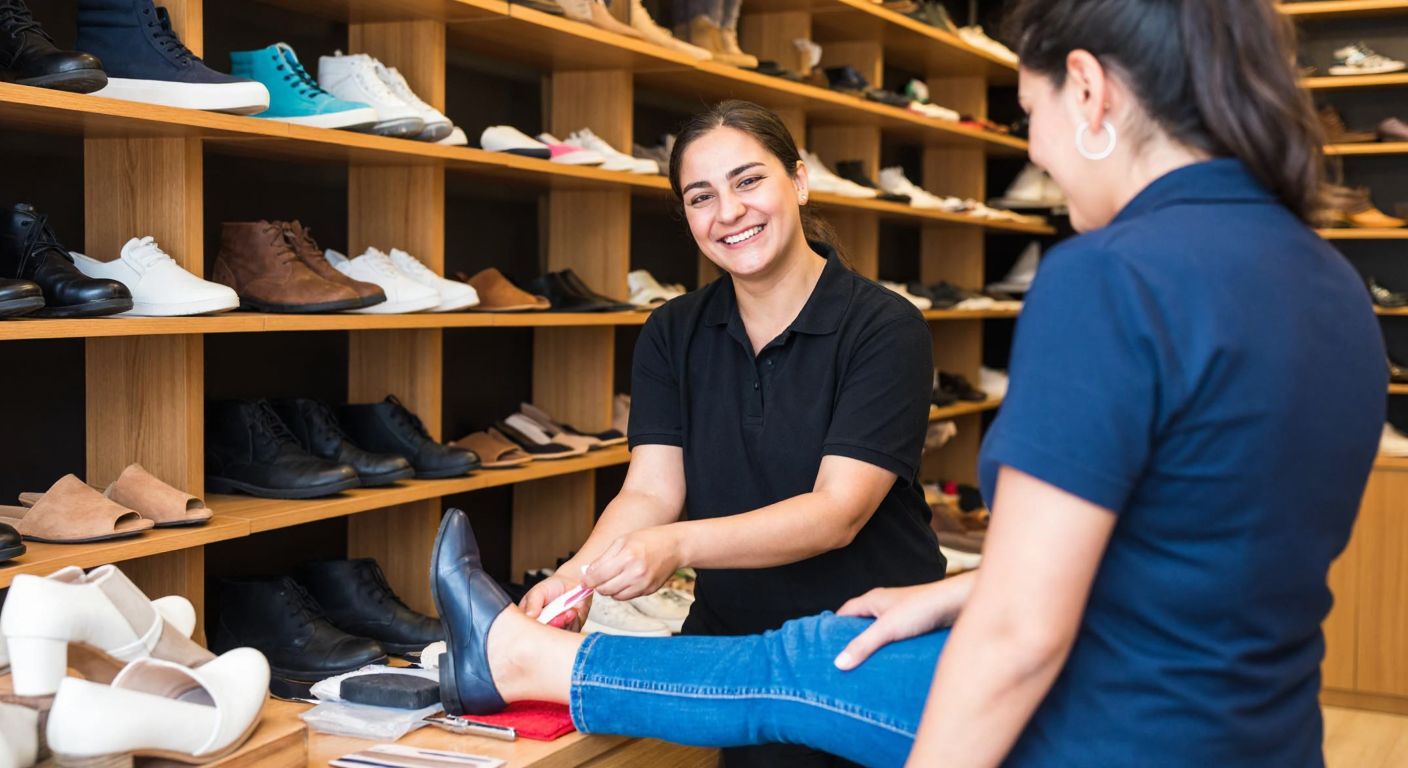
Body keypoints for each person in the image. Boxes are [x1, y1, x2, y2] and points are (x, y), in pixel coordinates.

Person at [435, 0, 1386, 764]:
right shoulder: (1331, 283)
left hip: (1106, 728)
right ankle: (526, 653)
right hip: (1260, 733)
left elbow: (1020, 635)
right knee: (818, 649)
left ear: (1090, 91)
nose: (1041, 155)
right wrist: (953, 595)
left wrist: (984, 609)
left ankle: (520, 657)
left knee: (803, 663)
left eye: (1030, 118)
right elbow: (1192, 549)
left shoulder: (1113, 278)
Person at [520, 100, 945, 764]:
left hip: (868, 641)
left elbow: (838, 512)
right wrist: (578, 579)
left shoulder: (884, 328)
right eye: (701, 196)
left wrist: (675, 546)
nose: (728, 212)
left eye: (749, 181)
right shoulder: (673, 331)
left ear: (798, 182)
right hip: (732, 645)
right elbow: (651, 492)